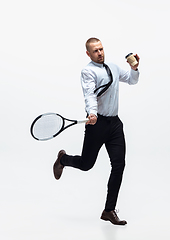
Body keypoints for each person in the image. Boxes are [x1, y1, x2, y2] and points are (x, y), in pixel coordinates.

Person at [53, 37, 140, 225]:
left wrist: (134, 69)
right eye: (95, 51)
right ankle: (62, 159)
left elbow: (132, 81)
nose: (100, 53)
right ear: (88, 54)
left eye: (101, 49)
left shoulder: (114, 67)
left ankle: (109, 210)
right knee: (86, 164)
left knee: (119, 165)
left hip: (115, 124)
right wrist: (92, 113)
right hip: (97, 124)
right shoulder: (88, 71)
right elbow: (89, 94)